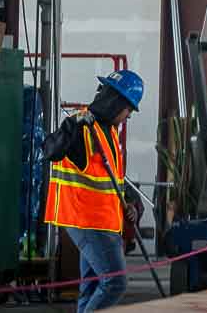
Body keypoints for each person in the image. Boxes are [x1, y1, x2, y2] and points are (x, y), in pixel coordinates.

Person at [43, 69, 143, 313]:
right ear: (115, 102)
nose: (127, 116)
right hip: (85, 219)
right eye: (128, 109)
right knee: (115, 282)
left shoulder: (108, 132)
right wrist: (71, 125)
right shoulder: (81, 128)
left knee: (93, 285)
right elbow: (49, 151)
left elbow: (112, 181)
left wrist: (128, 203)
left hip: (104, 221)